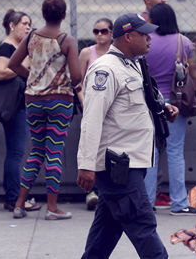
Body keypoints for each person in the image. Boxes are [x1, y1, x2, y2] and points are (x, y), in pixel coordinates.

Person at [77, 13, 179, 258]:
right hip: (118, 167)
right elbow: (92, 119)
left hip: (132, 161)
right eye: (144, 34)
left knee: (105, 234)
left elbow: (132, 106)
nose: (149, 38)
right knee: (143, 226)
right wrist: (86, 164)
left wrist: (163, 109)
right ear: (128, 36)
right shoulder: (105, 69)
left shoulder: (132, 64)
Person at [8, 0, 82, 220]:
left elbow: (13, 64)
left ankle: (19, 204)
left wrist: (33, 77)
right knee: (54, 152)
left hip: (33, 101)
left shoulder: (31, 36)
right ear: (63, 15)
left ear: (42, 14)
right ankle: (52, 208)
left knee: (36, 152)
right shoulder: (67, 40)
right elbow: (77, 77)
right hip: (60, 101)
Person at [143, 3, 196, 216]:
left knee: (151, 153)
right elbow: (194, 76)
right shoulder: (183, 42)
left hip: (150, 102)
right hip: (176, 103)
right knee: (175, 151)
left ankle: (147, 203)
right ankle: (179, 203)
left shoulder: (146, 42)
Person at [0, 9, 41, 213]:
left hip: (20, 105)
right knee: (15, 153)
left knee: (16, 153)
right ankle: (14, 198)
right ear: (12, 26)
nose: (27, 27)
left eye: (29, 24)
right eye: (24, 23)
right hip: (14, 107)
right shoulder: (6, 47)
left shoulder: (17, 47)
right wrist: (27, 61)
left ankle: (14, 196)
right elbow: (0, 73)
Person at [141, 0, 172, 208]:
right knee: (150, 148)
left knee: (157, 147)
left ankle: (153, 193)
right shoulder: (140, 25)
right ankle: (147, 195)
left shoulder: (165, 30)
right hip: (145, 96)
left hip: (160, 96)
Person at [77, 18, 113, 210]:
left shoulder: (117, 54)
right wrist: (86, 104)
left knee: (108, 150)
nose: (100, 34)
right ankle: (91, 191)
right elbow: (79, 83)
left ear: (112, 33)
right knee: (90, 147)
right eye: (96, 31)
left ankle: (104, 191)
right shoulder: (86, 53)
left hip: (112, 110)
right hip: (90, 107)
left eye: (104, 31)